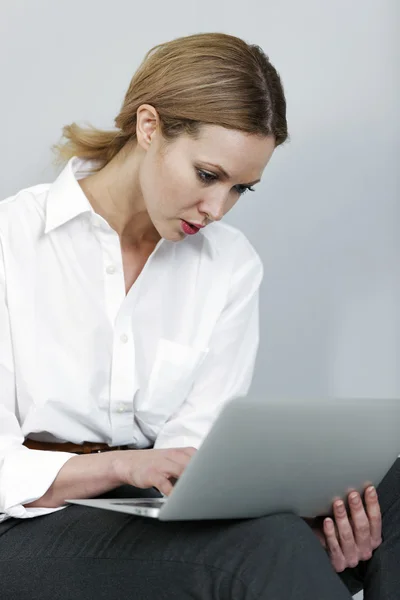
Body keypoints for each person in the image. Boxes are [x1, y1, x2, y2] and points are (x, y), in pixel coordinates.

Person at [0, 31, 398, 600]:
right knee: (265, 550)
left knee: (384, 499)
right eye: (208, 175)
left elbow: (194, 455)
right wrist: (119, 469)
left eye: (241, 188)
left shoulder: (229, 265)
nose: (217, 209)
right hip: (27, 527)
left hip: (155, 519)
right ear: (148, 127)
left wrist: (311, 523)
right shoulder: (10, 242)